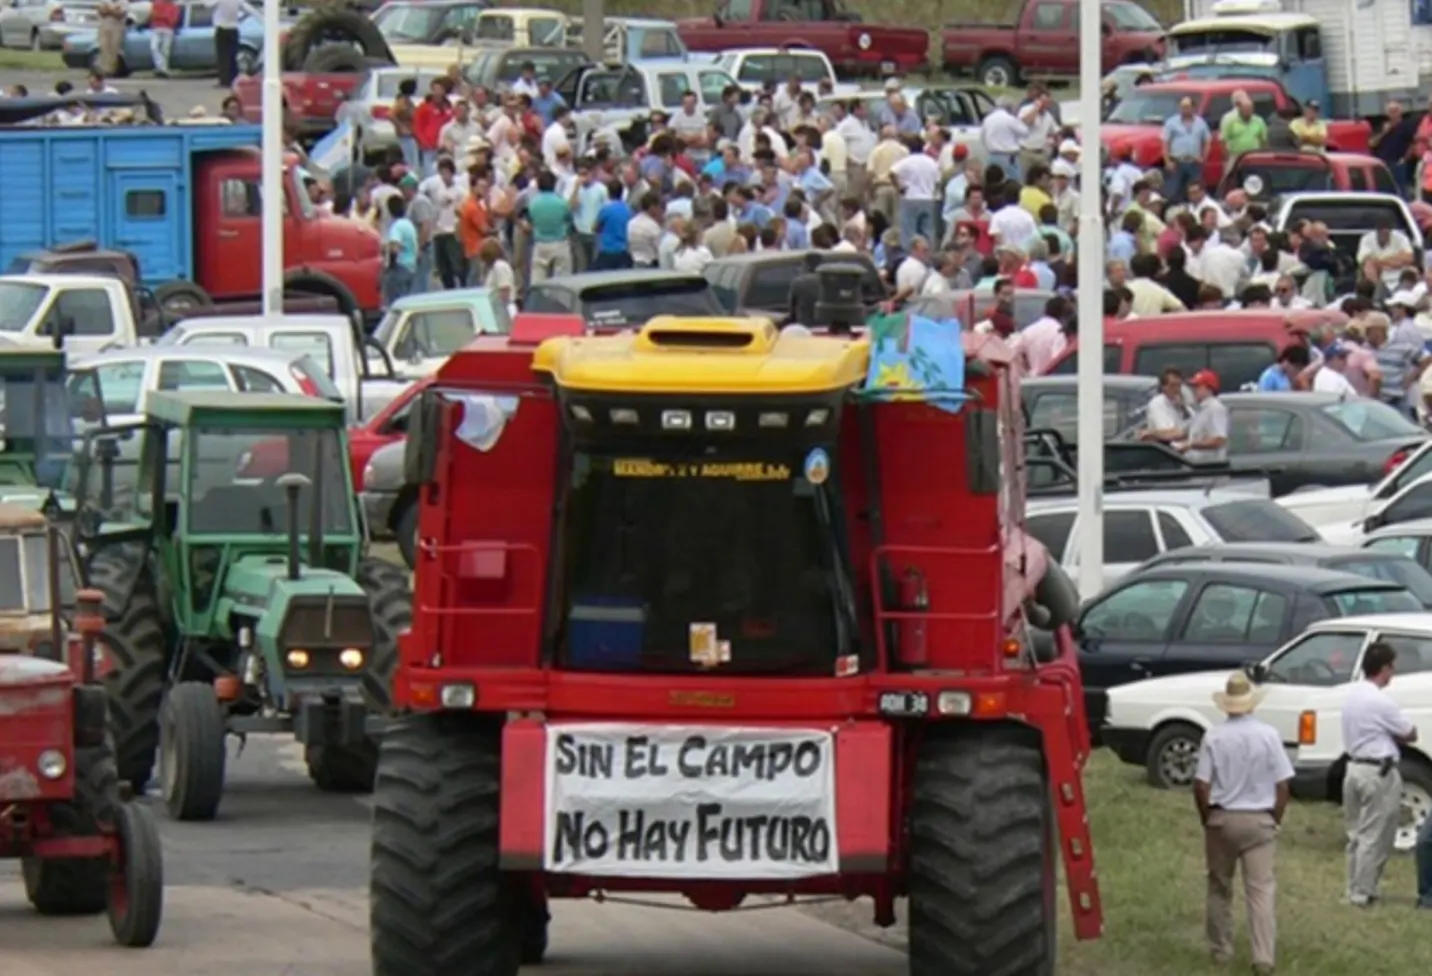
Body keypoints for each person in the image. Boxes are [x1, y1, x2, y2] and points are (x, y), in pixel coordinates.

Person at [1193, 671, 1292, 976]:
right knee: (1261, 889)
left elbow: (1201, 784)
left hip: (1222, 817)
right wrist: (1275, 816)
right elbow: (1283, 784)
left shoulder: (1214, 736)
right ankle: (1263, 957)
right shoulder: (1269, 735)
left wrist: (1206, 817)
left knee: (1219, 885)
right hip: (1259, 818)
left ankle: (1221, 949)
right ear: (1251, 704)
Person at [1341, 641, 1417, 908]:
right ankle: (1363, 891)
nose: (1393, 673)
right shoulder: (1381, 702)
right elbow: (1409, 732)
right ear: (1384, 668)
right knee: (1376, 833)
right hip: (1377, 770)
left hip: (1353, 767)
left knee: (1356, 833)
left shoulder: (1350, 696)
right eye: (1392, 667)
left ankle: (1353, 886)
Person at [1178, 370, 1229, 462]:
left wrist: (1191, 445)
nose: (1193, 390)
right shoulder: (1200, 410)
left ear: (1208, 388)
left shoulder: (1216, 408)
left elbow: (1219, 440)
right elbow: (1180, 432)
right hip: (1196, 467)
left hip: (1209, 469)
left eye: (1197, 386)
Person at [1139, 368, 1190, 444]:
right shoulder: (1157, 403)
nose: (1176, 389)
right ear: (1164, 387)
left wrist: (1184, 409)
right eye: (1172, 385)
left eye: (1178, 385)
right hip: (1165, 450)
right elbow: (1168, 435)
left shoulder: (1183, 406)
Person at [211, 0, 246, 89]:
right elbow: (244, 9)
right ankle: (233, 79)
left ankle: (224, 80)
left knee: (223, 56)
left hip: (222, 27)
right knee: (232, 55)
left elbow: (207, 4)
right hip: (234, 27)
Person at [149, 0, 179, 78]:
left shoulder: (174, 6)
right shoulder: (156, 3)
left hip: (168, 29)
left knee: (165, 50)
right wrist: (165, 16)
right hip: (156, 28)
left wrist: (160, 16)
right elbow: (152, 16)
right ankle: (161, 68)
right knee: (154, 48)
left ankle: (162, 69)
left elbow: (173, 21)